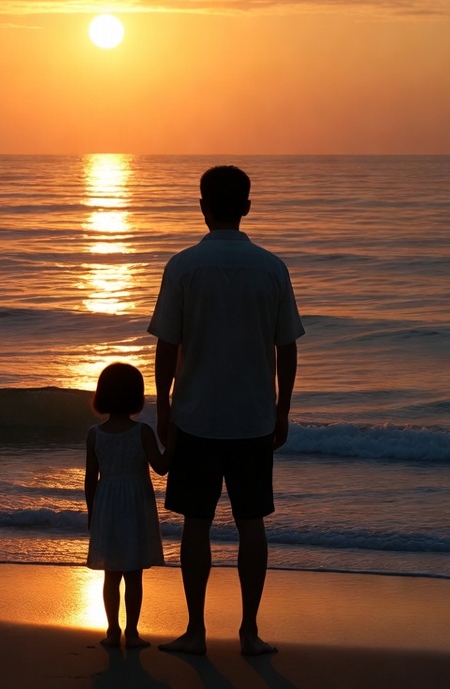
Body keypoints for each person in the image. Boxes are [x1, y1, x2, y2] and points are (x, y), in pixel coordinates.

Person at [148, 165, 304, 657]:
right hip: (253, 417)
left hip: (197, 415)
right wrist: (282, 410)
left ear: (203, 206)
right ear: (247, 207)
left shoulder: (184, 266)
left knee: (196, 523)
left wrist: (165, 405)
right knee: (251, 523)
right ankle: (249, 632)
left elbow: (167, 346)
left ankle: (196, 631)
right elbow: (287, 349)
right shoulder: (272, 268)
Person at [85, 362, 171, 649]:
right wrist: (176, 441)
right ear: (136, 396)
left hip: (107, 504)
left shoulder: (95, 434)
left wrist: (92, 513)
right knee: (133, 575)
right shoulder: (142, 432)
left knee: (111, 575)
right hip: (136, 506)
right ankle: (131, 633)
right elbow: (161, 468)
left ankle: (112, 632)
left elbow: (90, 480)